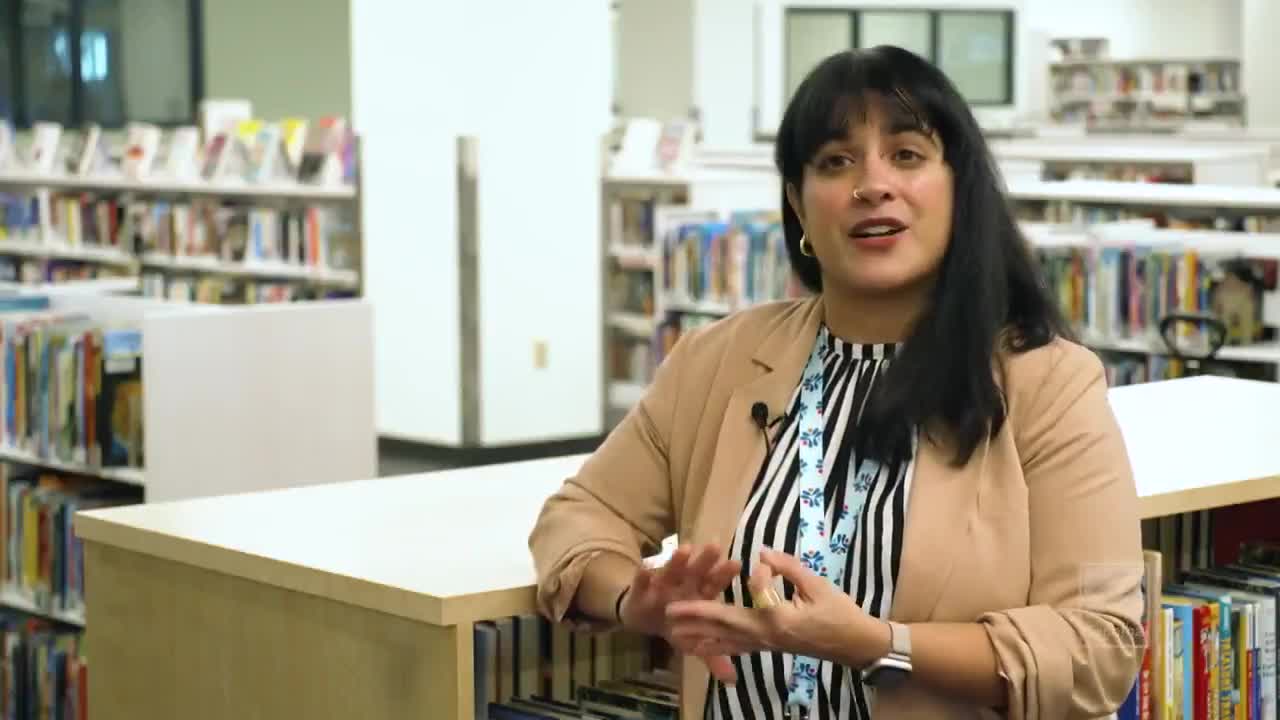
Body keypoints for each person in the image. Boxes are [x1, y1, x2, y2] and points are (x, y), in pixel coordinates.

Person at [529, 45, 1145, 720]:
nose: (871, 185)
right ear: (798, 204)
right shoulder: (718, 361)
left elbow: (1098, 648)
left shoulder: (1048, 384)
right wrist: (633, 600)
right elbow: (578, 516)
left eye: (906, 154)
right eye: (834, 162)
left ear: (959, 189)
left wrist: (879, 646)